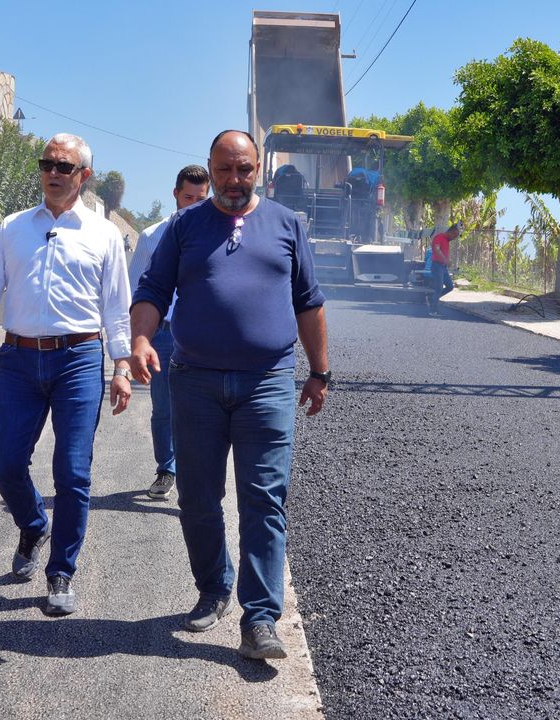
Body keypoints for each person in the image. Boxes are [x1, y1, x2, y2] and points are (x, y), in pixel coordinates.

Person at [129, 130, 329, 660]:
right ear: (210, 168)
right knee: (197, 497)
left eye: (244, 169)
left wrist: (320, 371)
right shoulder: (185, 226)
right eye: (224, 170)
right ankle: (214, 586)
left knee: (264, 499)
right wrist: (141, 339)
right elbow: (152, 290)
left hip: (267, 382)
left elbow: (308, 301)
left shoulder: (287, 224)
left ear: (258, 169)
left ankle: (260, 618)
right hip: (194, 381)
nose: (234, 180)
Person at [0, 133, 133, 616]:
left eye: (64, 166)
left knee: (72, 471)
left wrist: (121, 365)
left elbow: (117, 307)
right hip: (19, 360)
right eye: (47, 163)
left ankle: (61, 571)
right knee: (5, 463)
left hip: (79, 360)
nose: (53, 173)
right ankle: (34, 525)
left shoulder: (103, 234)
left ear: (84, 176)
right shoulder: (13, 227)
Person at [126, 164, 210, 500]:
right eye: (188, 197)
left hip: (202, 335)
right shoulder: (152, 236)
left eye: (201, 199)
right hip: (162, 335)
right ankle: (166, 469)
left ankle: (198, 478)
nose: (193, 205)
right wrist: (136, 343)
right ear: (175, 194)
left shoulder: (219, 235)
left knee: (202, 408)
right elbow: (135, 292)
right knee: (164, 408)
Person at [428, 221, 460, 314]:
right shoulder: (439, 237)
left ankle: (433, 299)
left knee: (450, 286)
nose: (454, 238)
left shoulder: (446, 240)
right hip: (437, 266)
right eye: (454, 236)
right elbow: (436, 250)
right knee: (438, 288)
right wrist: (445, 260)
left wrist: (447, 261)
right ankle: (433, 310)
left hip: (443, 267)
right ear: (450, 232)